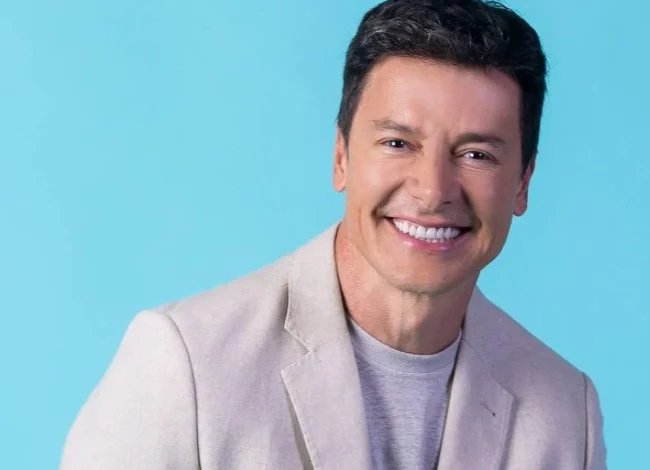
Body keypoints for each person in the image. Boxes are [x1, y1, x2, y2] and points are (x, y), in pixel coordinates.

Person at [61, 0, 607, 468]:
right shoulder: (185, 363)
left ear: (523, 183)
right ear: (341, 156)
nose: (433, 190)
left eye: (476, 154)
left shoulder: (566, 411)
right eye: (398, 143)